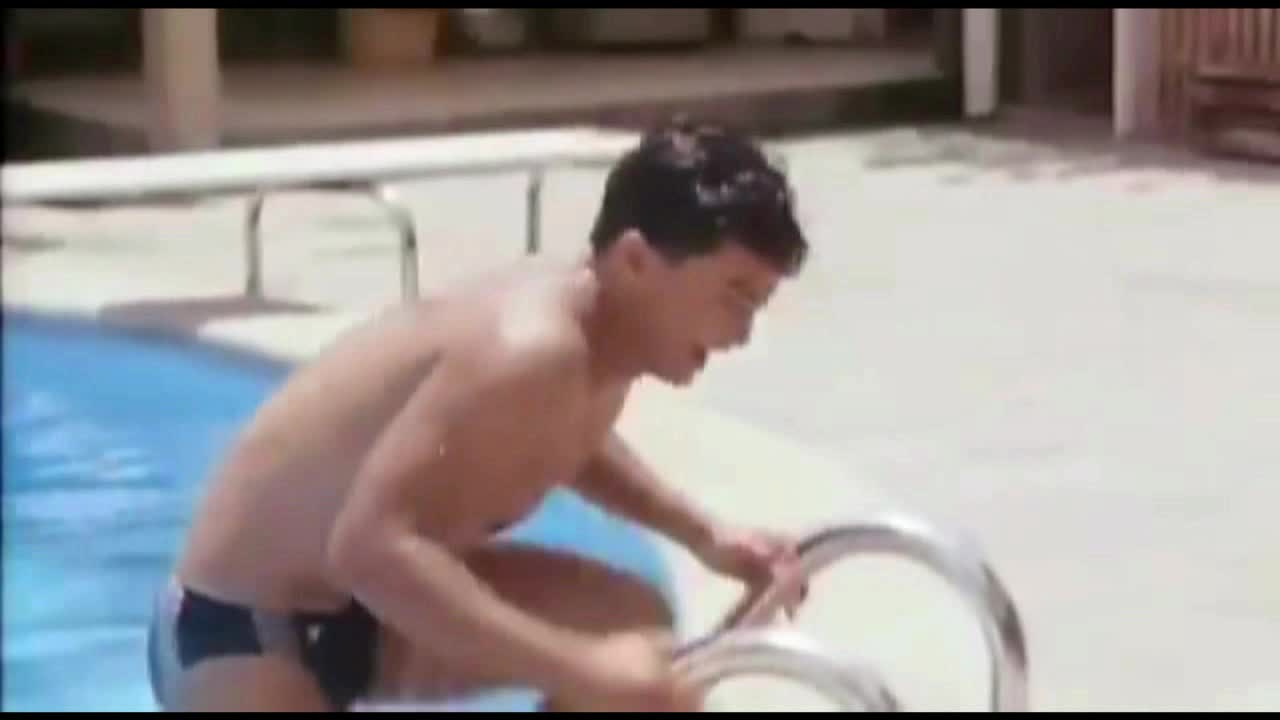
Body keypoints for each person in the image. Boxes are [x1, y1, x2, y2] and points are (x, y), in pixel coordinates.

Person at [146, 118, 811, 712]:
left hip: (371, 621)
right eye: (734, 296)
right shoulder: (528, 348)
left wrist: (703, 533)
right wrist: (580, 669)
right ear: (636, 261)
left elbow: (570, 437)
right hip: (245, 630)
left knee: (631, 630)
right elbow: (368, 549)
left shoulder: (598, 333)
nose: (742, 333)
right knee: (611, 670)